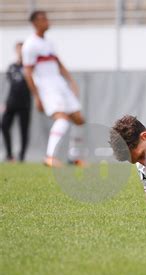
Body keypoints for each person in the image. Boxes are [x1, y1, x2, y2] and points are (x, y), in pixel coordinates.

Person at [22, 10, 86, 167]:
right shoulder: (30, 45)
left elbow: (58, 63)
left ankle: (73, 157)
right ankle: (49, 157)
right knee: (62, 119)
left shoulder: (49, 42)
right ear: (34, 23)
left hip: (59, 84)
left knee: (79, 119)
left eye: (46, 18)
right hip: (47, 87)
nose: (47, 21)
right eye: (43, 19)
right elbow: (28, 72)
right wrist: (36, 96)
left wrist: (70, 81)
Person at [1, 42, 31, 162]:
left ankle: (22, 156)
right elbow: (7, 86)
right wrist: (4, 102)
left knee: (24, 130)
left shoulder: (29, 67)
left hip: (25, 103)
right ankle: (9, 155)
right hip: (11, 102)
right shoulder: (12, 67)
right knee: (4, 125)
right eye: (18, 50)